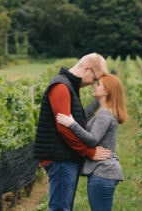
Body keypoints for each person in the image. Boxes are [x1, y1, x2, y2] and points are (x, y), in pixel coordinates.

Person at [34, 53, 112, 211]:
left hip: (65, 158)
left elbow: (75, 118)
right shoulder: (61, 86)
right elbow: (64, 129)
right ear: (87, 70)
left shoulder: (69, 86)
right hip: (60, 159)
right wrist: (88, 151)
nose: (93, 84)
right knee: (60, 208)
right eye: (95, 79)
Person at [56, 73, 128, 211]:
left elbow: (93, 139)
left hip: (102, 171)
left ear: (106, 91)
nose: (94, 85)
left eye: (99, 84)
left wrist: (72, 124)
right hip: (104, 172)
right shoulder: (106, 113)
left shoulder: (105, 114)